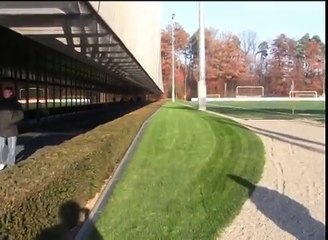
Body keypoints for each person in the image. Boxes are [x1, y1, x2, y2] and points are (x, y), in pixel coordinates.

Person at [0, 86, 24, 170]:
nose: (5, 94)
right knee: (1, 147)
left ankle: (11, 164)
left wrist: (11, 121)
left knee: (12, 148)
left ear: (11, 93)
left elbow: (21, 115)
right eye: (4, 92)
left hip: (11, 129)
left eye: (7, 92)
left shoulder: (16, 104)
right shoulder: (1, 103)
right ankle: (1, 162)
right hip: (1, 129)